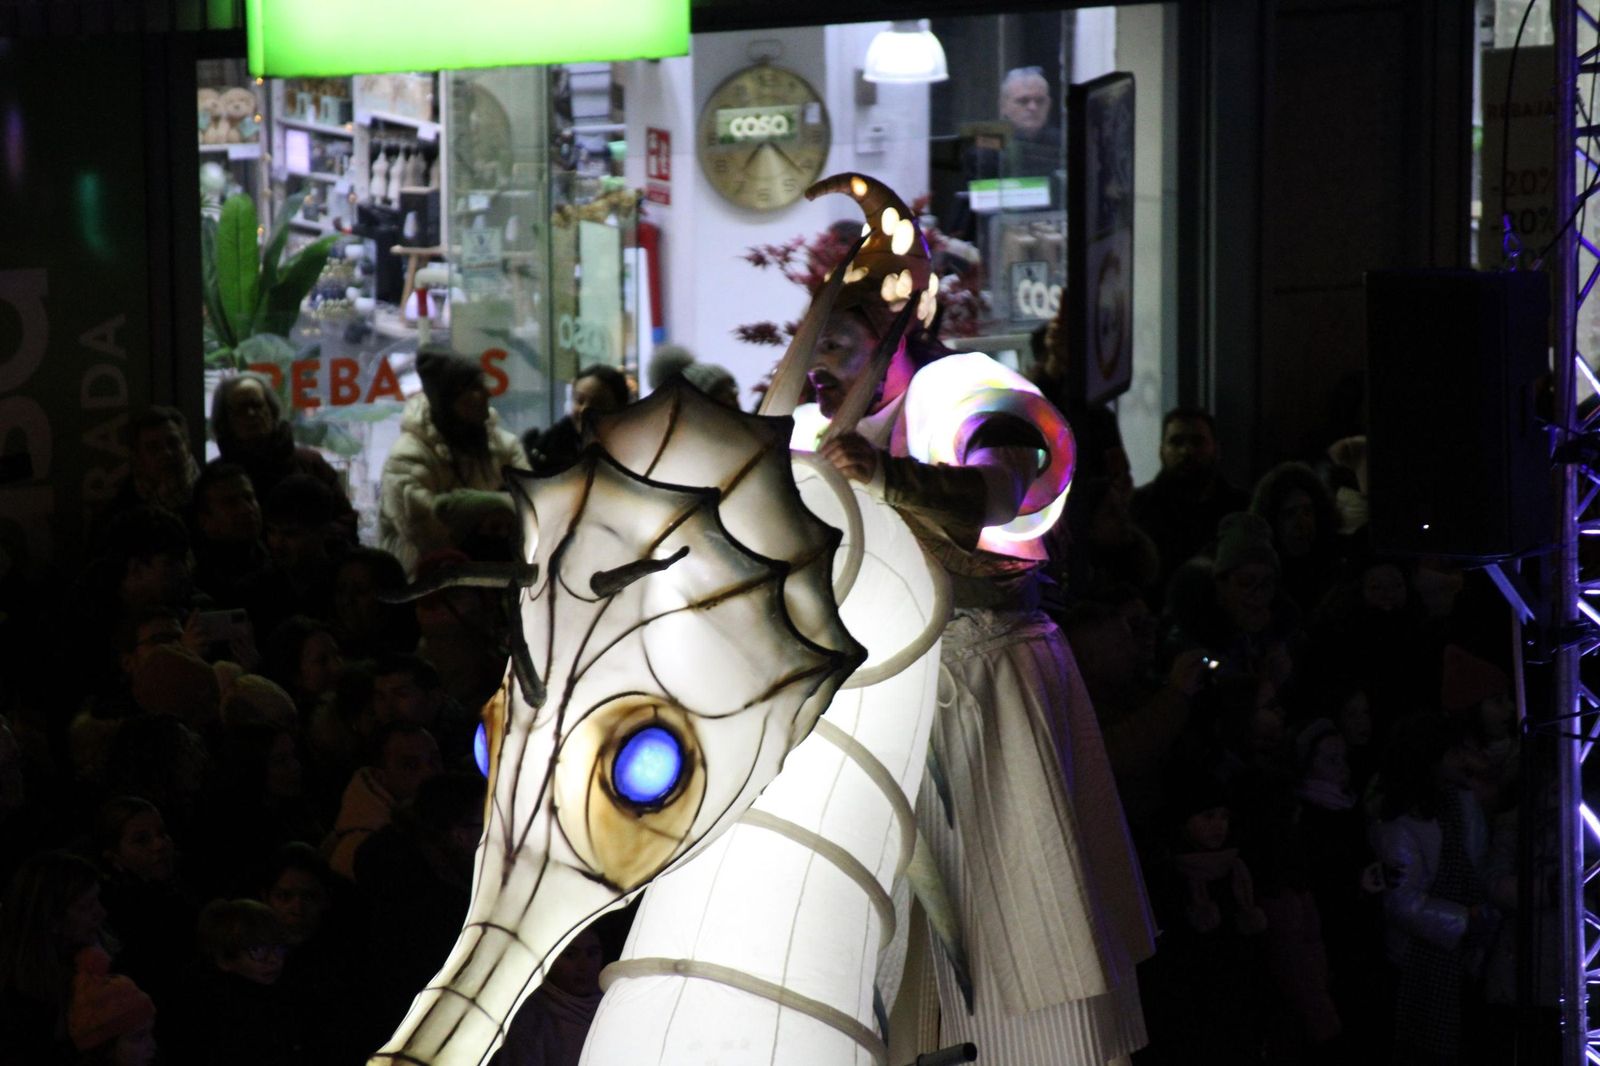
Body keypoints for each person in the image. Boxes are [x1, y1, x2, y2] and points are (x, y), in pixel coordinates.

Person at [802, 172, 1151, 1064]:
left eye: (840, 337)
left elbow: (1006, 485)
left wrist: (890, 480)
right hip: (877, 706)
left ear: (895, 329)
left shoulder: (965, 390)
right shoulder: (815, 435)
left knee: (1021, 939)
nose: (821, 357)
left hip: (987, 685)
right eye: (819, 339)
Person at [379, 350, 527, 573]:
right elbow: (425, 529)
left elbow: (533, 503)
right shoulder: (407, 456)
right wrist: (493, 507)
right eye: (475, 388)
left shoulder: (502, 445)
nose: (487, 394)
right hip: (423, 585)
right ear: (450, 401)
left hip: (491, 579)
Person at [209, 372, 355, 533]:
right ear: (225, 420)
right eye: (241, 409)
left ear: (272, 411)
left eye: (257, 405)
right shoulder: (217, 478)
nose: (251, 414)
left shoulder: (311, 464)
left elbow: (346, 520)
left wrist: (312, 540)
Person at [0, 851, 109, 1061]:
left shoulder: (97, 958)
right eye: (86, 907)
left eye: (97, 900)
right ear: (52, 920)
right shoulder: (21, 1005)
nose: (102, 913)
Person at [1130, 407, 1251, 597]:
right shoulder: (1137, 507)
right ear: (1162, 451)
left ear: (1216, 450)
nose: (1187, 451)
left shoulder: (1242, 509)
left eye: (1197, 442)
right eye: (1176, 442)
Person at [97, 407, 200, 531]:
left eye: (173, 442)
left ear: (187, 445)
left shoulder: (214, 497)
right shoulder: (118, 517)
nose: (166, 453)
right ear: (137, 457)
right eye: (153, 448)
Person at [523, 363, 630, 476]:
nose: (585, 410)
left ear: (619, 408)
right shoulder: (544, 451)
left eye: (599, 403)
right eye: (579, 401)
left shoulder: (637, 452)